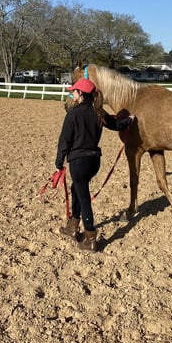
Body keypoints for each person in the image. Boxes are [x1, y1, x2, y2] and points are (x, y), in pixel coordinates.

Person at [54, 77, 135, 251]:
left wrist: (59, 161)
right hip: (93, 161)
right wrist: (130, 119)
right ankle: (73, 227)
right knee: (77, 189)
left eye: (74, 91)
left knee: (83, 198)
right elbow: (117, 125)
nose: (72, 94)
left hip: (78, 162)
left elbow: (64, 140)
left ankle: (90, 236)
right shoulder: (99, 112)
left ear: (80, 94)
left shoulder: (73, 114)